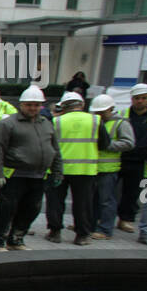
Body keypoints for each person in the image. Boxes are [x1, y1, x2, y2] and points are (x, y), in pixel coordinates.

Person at [0, 86, 62, 251]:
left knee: (31, 209)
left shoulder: (46, 124)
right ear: (21, 104)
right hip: (15, 175)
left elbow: (54, 149)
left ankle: (16, 239)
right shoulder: (8, 124)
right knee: (6, 210)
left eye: (36, 105)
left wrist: (57, 171)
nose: (33, 108)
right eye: (29, 105)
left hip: (38, 175)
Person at [45, 91, 106, 246]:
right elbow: (105, 144)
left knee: (55, 202)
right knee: (83, 204)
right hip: (86, 170)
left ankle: (55, 232)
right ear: (82, 105)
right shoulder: (95, 120)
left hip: (59, 169)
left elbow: (49, 144)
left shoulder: (56, 121)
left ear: (63, 106)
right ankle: (82, 235)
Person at [117, 82, 147, 234]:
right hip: (120, 158)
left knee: (134, 192)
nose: (140, 101)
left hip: (142, 161)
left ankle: (126, 219)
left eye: (143, 98)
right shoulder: (122, 114)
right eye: (137, 98)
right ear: (132, 99)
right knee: (110, 192)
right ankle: (104, 218)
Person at [89, 94, 135, 240]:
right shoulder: (94, 121)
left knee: (107, 200)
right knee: (93, 200)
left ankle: (105, 229)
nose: (100, 115)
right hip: (92, 167)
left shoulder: (121, 123)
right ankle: (91, 225)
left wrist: (108, 145)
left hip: (108, 169)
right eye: (97, 112)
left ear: (111, 109)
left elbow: (129, 143)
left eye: (102, 112)